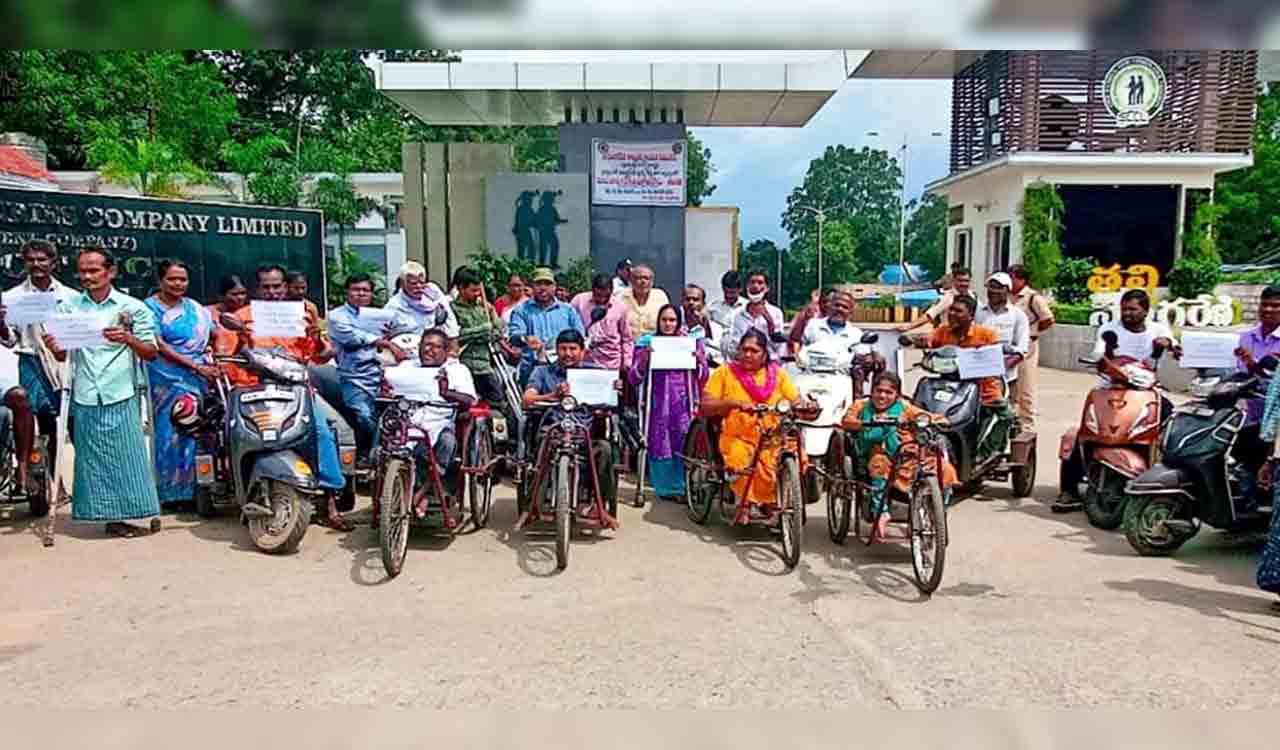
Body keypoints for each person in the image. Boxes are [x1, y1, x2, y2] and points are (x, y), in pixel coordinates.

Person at [215, 264, 350, 530]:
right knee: (232, 434)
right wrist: (242, 335)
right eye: (266, 287)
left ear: (285, 287)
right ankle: (236, 488)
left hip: (294, 388)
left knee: (322, 432)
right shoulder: (241, 317)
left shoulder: (300, 316)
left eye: (277, 286)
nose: (272, 292)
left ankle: (329, 500)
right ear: (257, 289)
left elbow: (318, 356)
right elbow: (228, 359)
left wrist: (314, 335)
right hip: (252, 390)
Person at [45, 248, 160, 538]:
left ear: (111, 272)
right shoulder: (69, 307)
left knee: (127, 456)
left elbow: (151, 352)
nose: (87, 276)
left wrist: (129, 339)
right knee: (91, 459)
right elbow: (62, 355)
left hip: (120, 390)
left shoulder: (131, 307)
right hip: (85, 391)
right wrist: (55, 346)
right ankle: (102, 514)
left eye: (94, 270)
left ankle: (132, 512)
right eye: (83, 271)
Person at [701, 329, 815, 523]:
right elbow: (705, 405)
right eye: (744, 349)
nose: (748, 354)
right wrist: (733, 403)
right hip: (738, 436)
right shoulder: (725, 372)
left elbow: (795, 399)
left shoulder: (778, 375)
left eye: (754, 351)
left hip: (774, 435)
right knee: (740, 457)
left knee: (792, 454)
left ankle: (774, 501)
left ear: (764, 354)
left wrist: (806, 406)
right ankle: (744, 503)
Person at [520, 329, 619, 528]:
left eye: (573, 349)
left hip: (585, 433)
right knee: (543, 446)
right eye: (563, 349)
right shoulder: (542, 372)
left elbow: (611, 403)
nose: (568, 353)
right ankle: (532, 506)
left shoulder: (596, 373)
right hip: (553, 429)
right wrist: (552, 396)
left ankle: (601, 507)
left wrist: (614, 389)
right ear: (556, 350)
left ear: (583, 351)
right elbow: (527, 399)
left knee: (606, 450)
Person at [843, 372, 957, 539]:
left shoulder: (904, 407)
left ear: (897, 395)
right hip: (877, 454)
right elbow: (847, 421)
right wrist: (868, 423)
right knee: (879, 464)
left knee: (945, 469)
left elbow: (924, 416)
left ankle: (935, 513)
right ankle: (881, 513)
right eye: (878, 391)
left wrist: (939, 420)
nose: (882, 396)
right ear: (872, 391)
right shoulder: (861, 405)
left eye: (889, 392)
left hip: (907, 454)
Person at [143, 260, 217, 511]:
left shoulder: (195, 308)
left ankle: (200, 488)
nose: (178, 284)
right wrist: (195, 366)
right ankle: (172, 493)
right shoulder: (149, 308)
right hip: (166, 379)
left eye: (183, 279)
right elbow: (159, 344)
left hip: (199, 378)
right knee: (170, 433)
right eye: (172, 279)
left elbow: (212, 335)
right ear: (160, 280)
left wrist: (208, 356)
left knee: (197, 431)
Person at [0, 239, 72, 492]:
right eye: (31, 260)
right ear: (24, 263)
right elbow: (10, 340)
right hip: (31, 361)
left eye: (42, 259)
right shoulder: (12, 298)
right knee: (43, 418)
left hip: (63, 362)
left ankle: (77, 486)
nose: (36, 264)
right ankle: (50, 483)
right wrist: (1, 324)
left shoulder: (69, 297)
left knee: (70, 422)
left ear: (53, 263)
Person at [914, 295, 1011, 465]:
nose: (952, 314)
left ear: (971, 316)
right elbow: (929, 339)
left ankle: (985, 452)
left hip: (982, 387)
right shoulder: (943, 331)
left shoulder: (987, 335)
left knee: (1007, 416)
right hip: (947, 384)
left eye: (958, 311)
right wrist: (918, 341)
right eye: (951, 309)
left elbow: (994, 360)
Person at [327, 273, 414, 459]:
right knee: (364, 415)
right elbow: (351, 337)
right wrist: (385, 342)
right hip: (354, 376)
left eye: (365, 290)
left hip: (384, 375)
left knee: (396, 417)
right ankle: (373, 453)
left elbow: (407, 327)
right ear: (347, 292)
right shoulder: (336, 316)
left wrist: (393, 335)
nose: (361, 294)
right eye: (356, 289)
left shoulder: (379, 316)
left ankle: (384, 456)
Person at [629, 304, 709, 501]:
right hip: (657, 402)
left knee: (684, 439)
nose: (668, 324)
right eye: (664, 320)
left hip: (683, 401)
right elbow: (634, 377)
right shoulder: (647, 342)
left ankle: (685, 486)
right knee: (660, 441)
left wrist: (699, 360)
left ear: (678, 322)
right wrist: (644, 359)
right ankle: (666, 488)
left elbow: (703, 376)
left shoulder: (689, 342)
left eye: (672, 320)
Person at [400, 329, 477, 515]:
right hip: (408, 418)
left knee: (447, 442)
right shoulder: (407, 367)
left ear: (446, 351)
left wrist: (446, 393)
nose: (429, 350)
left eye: (435, 347)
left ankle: (424, 491)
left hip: (440, 421)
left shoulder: (457, 370)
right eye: (426, 345)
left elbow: (469, 400)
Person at [509, 267, 585, 384]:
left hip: (563, 371)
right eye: (539, 284)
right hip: (532, 369)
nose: (543, 288)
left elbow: (580, 336)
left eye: (548, 284)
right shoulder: (521, 310)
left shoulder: (568, 310)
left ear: (554, 287)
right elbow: (514, 335)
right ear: (532, 286)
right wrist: (525, 339)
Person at [1008, 264, 1055, 432]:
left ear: (1022, 280)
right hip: (1009, 345)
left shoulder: (1033, 298)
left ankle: (1027, 423)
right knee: (1009, 385)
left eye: (1012, 278)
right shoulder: (1007, 296)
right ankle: (1010, 421)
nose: (1010, 281)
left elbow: (1048, 319)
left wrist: (1032, 332)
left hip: (1027, 346)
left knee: (1025, 384)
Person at [1089, 289, 1179, 374]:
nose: (1126, 313)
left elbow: (1175, 347)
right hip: (1113, 380)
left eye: (1132, 309)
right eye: (1124, 309)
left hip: (1146, 379)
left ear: (1146, 311)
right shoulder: (1108, 328)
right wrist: (1106, 353)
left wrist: (1168, 344)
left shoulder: (1159, 329)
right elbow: (1098, 354)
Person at [976, 273, 1031, 398]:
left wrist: (1000, 367)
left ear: (1008, 290)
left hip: (1006, 379)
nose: (994, 291)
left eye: (999, 288)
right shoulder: (977, 313)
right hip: (977, 377)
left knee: (1006, 409)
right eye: (991, 287)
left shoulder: (1018, 315)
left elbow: (1022, 350)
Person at [571, 273, 634, 373]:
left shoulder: (620, 307)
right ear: (592, 290)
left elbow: (627, 337)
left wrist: (627, 360)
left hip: (610, 362)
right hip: (583, 360)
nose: (601, 299)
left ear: (611, 291)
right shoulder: (579, 301)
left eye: (605, 296)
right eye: (598, 296)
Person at [385, 261, 460, 338]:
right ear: (402, 284)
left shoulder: (433, 294)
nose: (419, 286)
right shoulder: (393, 306)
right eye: (413, 283)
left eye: (422, 282)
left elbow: (450, 321)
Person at [724, 269, 785, 361]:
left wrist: (770, 324)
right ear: (746, 286)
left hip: (768, 364)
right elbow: (733, 347)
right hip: (743, 363)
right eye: (752, 282)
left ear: (767, 288)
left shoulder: (776, 313)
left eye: (760, 283)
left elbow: (779, 348)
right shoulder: (737, 314)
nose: (755, 286)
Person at [898, 266, 976, 333]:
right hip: (947, 336)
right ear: (954, 280)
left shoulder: (973, 296)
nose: (963, 283)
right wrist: (909, 326)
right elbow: (930, 315)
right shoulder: (947, 297)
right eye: (960, 280)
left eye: (966, 281)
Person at [619, 263, 669, 337]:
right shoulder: (621, 297)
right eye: (638, 278)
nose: (643, 281)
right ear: (631, 281)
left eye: (646, 278)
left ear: (652, 282)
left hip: (654, 341)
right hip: (628, 341)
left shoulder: (660, 296)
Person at [789, 287, 835, 355]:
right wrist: (798, 356)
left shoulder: (843, 324)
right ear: (819, 303)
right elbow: (795, 340)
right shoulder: (809, 316)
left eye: (831, 302)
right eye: (824, 301)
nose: (827, 304)